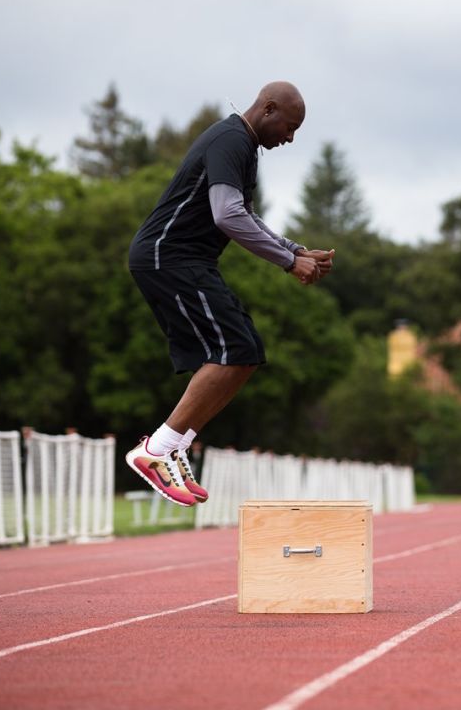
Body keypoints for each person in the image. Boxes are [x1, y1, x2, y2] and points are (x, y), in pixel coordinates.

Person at [124, 81, 333, 506]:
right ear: (268, 108)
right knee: (236, 349)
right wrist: (289, 262)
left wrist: (294, 249)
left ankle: (174, 444)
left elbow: (246, 215)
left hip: (187, 262)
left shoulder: (244, 148)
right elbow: (228, 215)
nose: (289, 138)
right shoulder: (230, 139)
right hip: (170, 257)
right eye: (289, 127)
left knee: (245, 351)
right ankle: (156, 450)